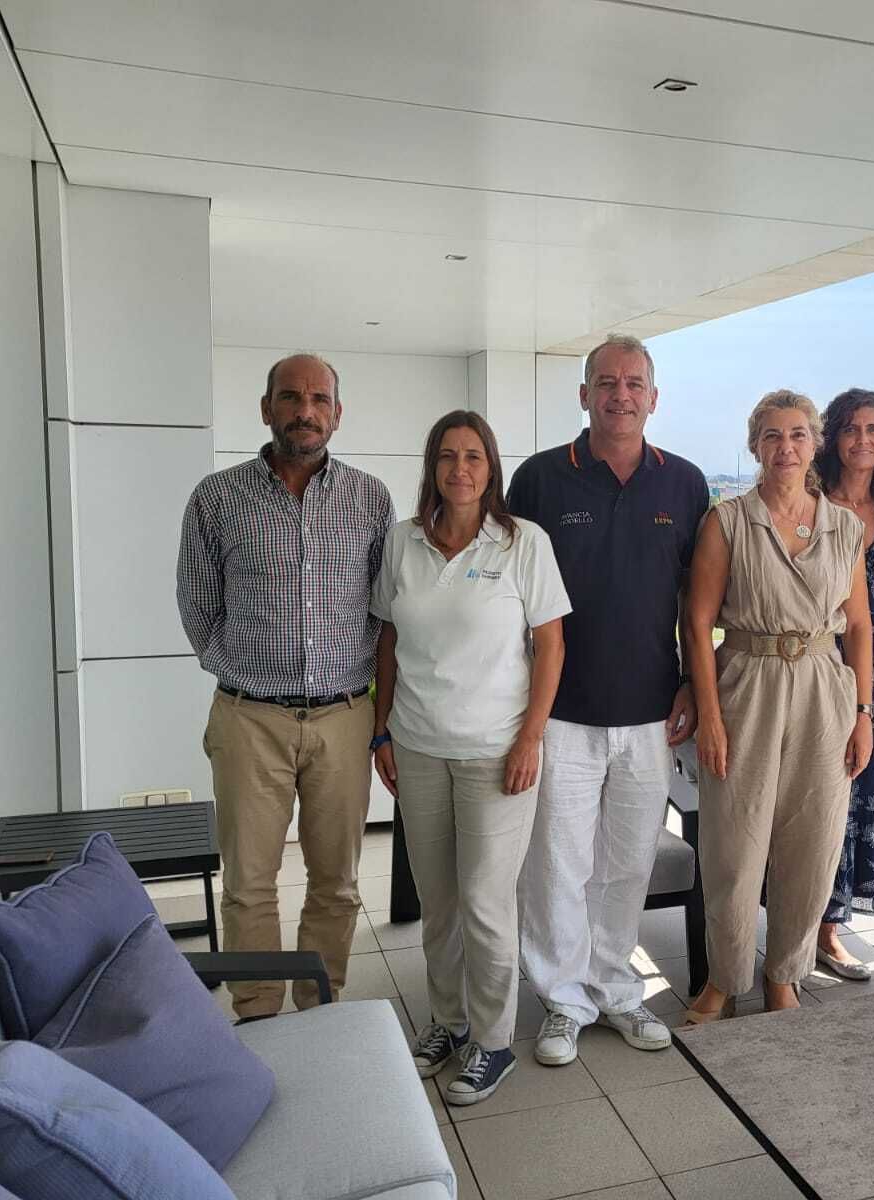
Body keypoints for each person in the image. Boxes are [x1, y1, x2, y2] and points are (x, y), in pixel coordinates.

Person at [508, 335, 710, 1066]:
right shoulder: (537, 480)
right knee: (557, 863)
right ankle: (562, 1001)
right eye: (606, 383)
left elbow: (696, 599)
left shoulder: (683, 484)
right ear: (584, 394)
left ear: (653, 398)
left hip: (652, 713)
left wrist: (691, 677)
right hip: (559, 712)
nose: (620, 395)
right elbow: (511, 596)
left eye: (634, 384)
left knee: (626, 863)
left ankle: (616, 988)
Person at [177, 353, 393, 1019]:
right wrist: (241, 674)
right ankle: (260, 1013)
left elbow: (385, 611)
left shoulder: (370, 499)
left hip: (344, 717)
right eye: (291, 398)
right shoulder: (217, 497)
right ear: (266, 407)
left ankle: (322, 1010)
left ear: (337, 412)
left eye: (319, 399)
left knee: (337, 881)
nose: (306, 411)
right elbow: (197, 606)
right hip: (250, 718)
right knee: (249, 883)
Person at [369, 410, 570, 1106]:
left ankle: (492, 1043)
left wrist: (529, 740)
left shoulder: (523, 544)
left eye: (475, 456)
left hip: (495, 754)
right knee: (440, 902)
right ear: (434, 466)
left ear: (492, 469)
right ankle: (448, 1024)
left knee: (486, 904)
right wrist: (381, 730)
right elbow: (388, 641)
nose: (461, 468)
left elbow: (551, 645)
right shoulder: (402, 543)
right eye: (449, 456)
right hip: (419, 748)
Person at [684, 390, 874, 1020]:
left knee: (813, 841)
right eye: (771, 435)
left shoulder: (844, 526)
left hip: (824, 686)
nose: (785, 446)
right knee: (733, 846)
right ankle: (724, 976)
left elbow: (861, 626)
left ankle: (785, 973)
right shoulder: (728, 520)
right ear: (755, 446)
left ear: (815, 443)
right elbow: (698, 620)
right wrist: (710, 715)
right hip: (748, 681)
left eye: (797, 434)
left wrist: (864, 712)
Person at [810, 389, 874, 982]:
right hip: (814, 665)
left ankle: (828, 928)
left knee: (857, 796)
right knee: (814, 798)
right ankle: (801, 923)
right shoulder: (809, 502)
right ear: (832, 438)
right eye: (851, 429)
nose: (863, 440)